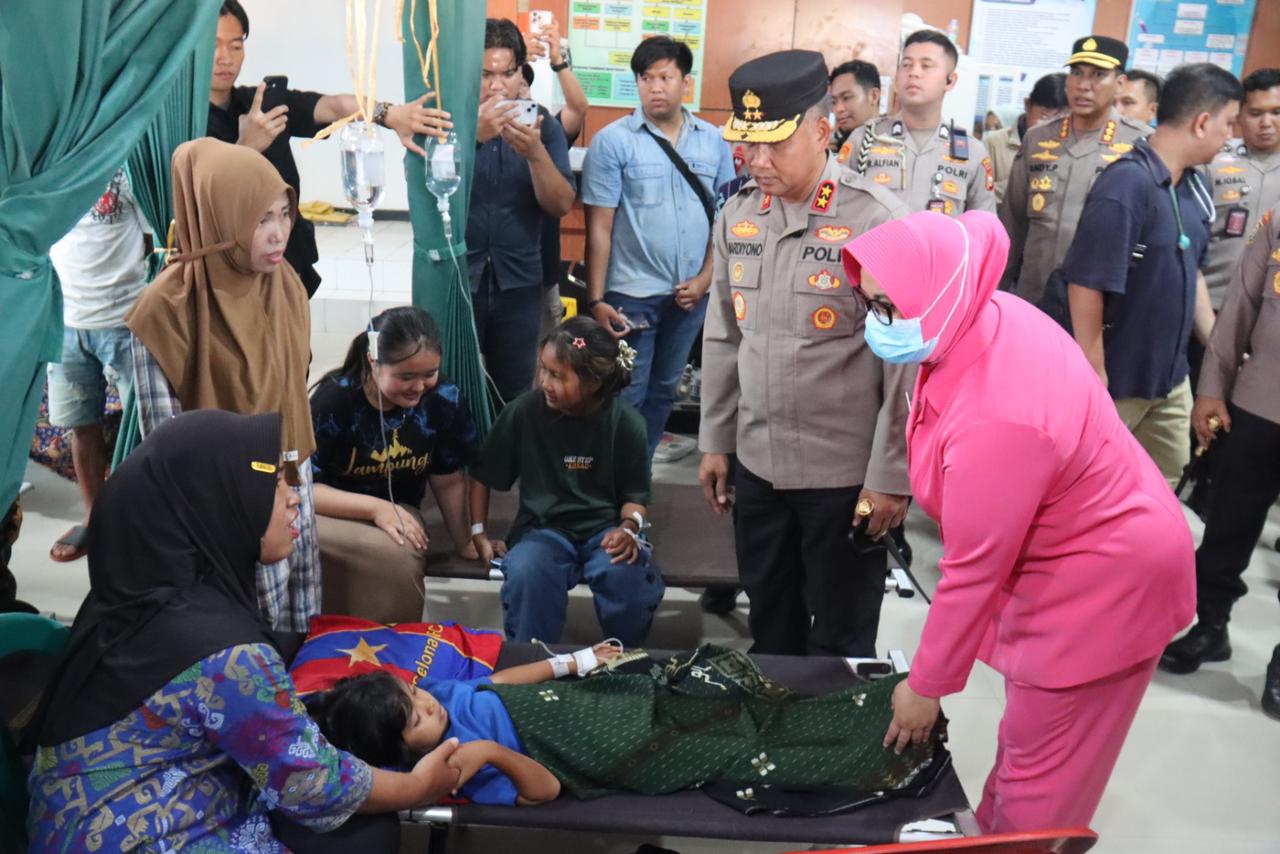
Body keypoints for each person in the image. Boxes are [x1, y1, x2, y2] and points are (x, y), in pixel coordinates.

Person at [841, 209, 1195, 833]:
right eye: (870, 304)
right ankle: (998, 831)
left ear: (938, 293)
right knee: (1029, 741)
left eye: (890, 307)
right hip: (1080, 547)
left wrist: (925, 686)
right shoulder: (979, 311)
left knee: (1045, 777)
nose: (877, 322)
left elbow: (973, 568)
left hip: (1103, 586)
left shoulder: (997, 417)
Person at [27, 411, 464, 852]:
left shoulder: (138, 590)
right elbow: (314, 786)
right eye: (271, 485)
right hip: (144, 835)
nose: (294, 498)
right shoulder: (224, 651)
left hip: (76, 818)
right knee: (367, 836)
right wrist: (420, 786)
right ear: (216, 504)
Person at [700, 50, 911, 658]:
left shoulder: (876, 220)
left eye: (775, 144)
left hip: (841, 474)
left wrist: (891, 476)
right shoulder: (738, 215)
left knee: (843, 635)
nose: (758, 160)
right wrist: (715, 440)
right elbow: (724, 336)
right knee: (771, 623)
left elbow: (904, 369)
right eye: (749, 144)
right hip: (758, 464)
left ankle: (834, 721)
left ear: (821, 131)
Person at [304, 644, 940, 805]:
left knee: (709, 697)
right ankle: (878, 746)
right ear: (398, 748)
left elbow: (497, 683)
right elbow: (545, 790)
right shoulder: (452, 766)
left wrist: (572, 662)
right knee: (725, 747)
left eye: (417, 694)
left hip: (593, 703)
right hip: (595, 747)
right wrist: (493, 752)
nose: (430, 707)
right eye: (416, 718)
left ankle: (879, 704)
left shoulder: (442, 696)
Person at [126, 137, 320, 633]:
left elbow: (295, 390)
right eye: (260, 219)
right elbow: (168, 445)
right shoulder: (164, 313)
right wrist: (248, 500)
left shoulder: (285, 284)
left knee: (299, 622)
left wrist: (290, 487)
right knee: (244, 634)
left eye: (284, 214)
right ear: (218, 217)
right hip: (223, 508)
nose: (279, 233)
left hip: (294, 484)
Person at [1061, 63, 1240, 486]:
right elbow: (1085, 284)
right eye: (1229, 123)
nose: (1231, 136)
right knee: (1090, 486)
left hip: (1169, 378)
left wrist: (1217, 348)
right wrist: (1095, 373)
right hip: (1118, 380)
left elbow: (1193, 273)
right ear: (1202, 122)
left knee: (1163, 479)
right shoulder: (1125, 185)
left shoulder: (1194, 185)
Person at [207, 1, 452, 298]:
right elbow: (201, 200)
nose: (225, 58)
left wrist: (389, 114)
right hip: (227, 274)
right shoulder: (179, 121)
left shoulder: (261, 104)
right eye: (214, 45)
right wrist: (247, 147)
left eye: (236, 46)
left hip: (287, 266)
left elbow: (334, 106)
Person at [581, 36, 735, 459]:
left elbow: (725, 220)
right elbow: (599, 227)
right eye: (646, 78)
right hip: (631, 295)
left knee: (666, 388)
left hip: (690, 297)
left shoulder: (713, 141)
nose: (655, 87)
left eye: (665, 77)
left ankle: (639, 471)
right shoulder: (613, 141)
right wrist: (596, 298)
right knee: (626, 389)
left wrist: (705, 280)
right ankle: (614, 476)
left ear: (686, 82)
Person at [468, 317, 663, 646]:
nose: (544, 382)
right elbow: (482, 475)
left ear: (594, 382)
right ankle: (533, 660)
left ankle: (625, 658)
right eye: (543, 370)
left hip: (604, 530)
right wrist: (478, 533)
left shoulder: (627, 423)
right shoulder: (523, 412)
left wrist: (629, 528)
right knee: (528, 573)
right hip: (542, 530)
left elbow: (636, 495)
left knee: (625, 573)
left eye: (557, 375)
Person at [1158, 199, 1280, 722]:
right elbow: (1240, 307)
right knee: (1227, 526)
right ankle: (1210, 626)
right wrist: (1211, 388)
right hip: (1258, 402)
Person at [310, 307, 479, 623]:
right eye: (406, 377)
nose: (419, 387)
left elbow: (448, 478)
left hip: (399, 510)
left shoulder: (443, 398)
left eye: (429, 373)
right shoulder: (335, 401)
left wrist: (465, 541)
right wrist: (376, 508)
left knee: (404, 548)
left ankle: (394, 641)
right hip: (331, 512)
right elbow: (302, 489)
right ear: (373, 362)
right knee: (394, 557)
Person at [45, 168, 151, 562]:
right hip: (67, 317)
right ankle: (95, 517)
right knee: (81, 425)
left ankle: (141, 519)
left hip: (126, 317)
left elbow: (153, 235)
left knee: (143, 430)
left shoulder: (126, 164)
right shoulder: (54, 158)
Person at [469, 18, 576, 408]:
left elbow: (560, 204)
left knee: (513, 393)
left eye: (508, 73)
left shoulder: (542, 124)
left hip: (520, 282)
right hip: (459, 279)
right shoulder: (448, 120)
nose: (497, 86)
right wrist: (472, 138)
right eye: (485, 74)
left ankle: (503, 451)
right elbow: (428, 193)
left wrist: (535, 154)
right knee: (451, 386)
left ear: (521, 74)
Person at [999, 36, 1151, 306]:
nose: (1083, 85)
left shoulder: (1139, 143)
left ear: (1119, 84)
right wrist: (996, 292)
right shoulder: (1037, 138)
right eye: (1077, 73)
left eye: (1098, 75)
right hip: (1032, 298)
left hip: (1100, 306)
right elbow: (1013, 224)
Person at [848, 30, 996, 218]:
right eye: (906, 65)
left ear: (950, 81)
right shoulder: (864, 139)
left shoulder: (972, 152)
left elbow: (983, 226)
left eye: (926, 65)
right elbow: (839, 211)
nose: (914, 73)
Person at [521, 13, 591, 341]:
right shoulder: (475, 130)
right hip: (488, 277)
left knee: (542, 356)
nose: (516, 93)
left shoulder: (546, 128)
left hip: (541, 271)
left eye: (523, 86)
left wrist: (558, 62)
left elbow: (578, 108)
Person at [1202, 68, 1280, 311]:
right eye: (1256, 113)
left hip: (1271, 308)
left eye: (1276, 112)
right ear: (1239, 115)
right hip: (1212, 301)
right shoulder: (1211, 161)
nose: (1266, 123)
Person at [984, 73, 1068, 203]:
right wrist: (1026, 180)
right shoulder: (994, 143)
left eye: (1060, 121)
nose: (1051, 127)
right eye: (1045, 117)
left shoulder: (1072, 149)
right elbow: (981, 196)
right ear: (1027, 104)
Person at [828, 59, 882, 164]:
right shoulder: (832, 147)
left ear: (873, 96)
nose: (838, 109)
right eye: (833, 102)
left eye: (846, 98)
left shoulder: (894, 146)